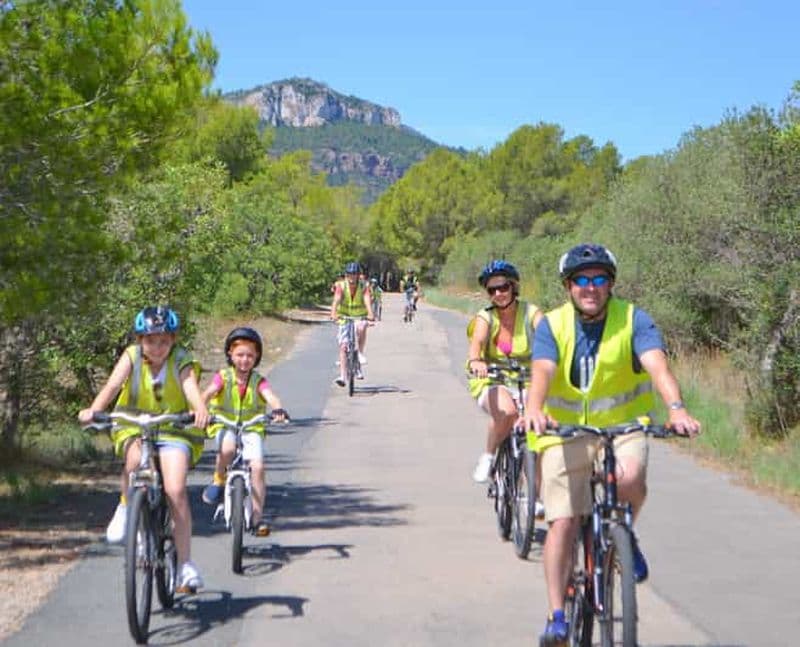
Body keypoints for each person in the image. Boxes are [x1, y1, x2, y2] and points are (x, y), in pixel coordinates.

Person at [523, 243, 701, 646]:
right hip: (564, 431)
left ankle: (622, 534)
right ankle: (556, 614)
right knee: (564, 522)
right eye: (582, 280)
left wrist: (676, 408)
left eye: (599, 278)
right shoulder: (553, 324)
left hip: (623, 428)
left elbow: (657, 364)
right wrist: (534, 408)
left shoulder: (634, 320)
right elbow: (542, 371)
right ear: (568, 286)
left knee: (630, 478)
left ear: (611, 284)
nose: (591, 287)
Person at [78, 306, 210, 592]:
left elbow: (190, 388)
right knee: (135, 460)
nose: (158, 347)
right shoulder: (131, 356)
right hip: (134, 423)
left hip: (174, 426)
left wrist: (199, 409)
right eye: (151, 340)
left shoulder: (182, 359)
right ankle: (127, 507)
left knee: (175, 490)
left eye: (164, 341)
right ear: (140, 340)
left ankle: (185, 564)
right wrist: (94, 410)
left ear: (173, 339)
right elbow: (113, 385)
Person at [200, 327, 288, 537]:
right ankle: (219, 479)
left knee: (257, 467)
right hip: (224, 423)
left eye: (250, 355)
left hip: (251, 427)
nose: (244, 360)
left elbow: (271, 397)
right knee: (228, 449)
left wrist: (278, 409)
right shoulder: (223, 377)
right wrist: (200, 410)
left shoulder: (258, 381)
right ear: (230, 354)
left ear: (257, 356)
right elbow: (207, 393)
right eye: (240, 355)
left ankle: (257, 517)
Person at [466, 260, 543, 486]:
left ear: (513, 287)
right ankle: (489, 456)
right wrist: (476, 361)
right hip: (492, 378)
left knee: (537, 428)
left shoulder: (531, 313)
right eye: (492, 290)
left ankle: (536, 494)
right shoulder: (486, 317)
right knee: (507, 413)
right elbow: (477, 343)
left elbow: (549, 337)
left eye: (503, 287)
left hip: (527, 380)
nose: (499, 293)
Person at [330, 261, 375, 386]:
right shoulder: (341, 286)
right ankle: (343, 376)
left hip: (360, 316)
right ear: (346, 275)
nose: (352, 277)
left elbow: (367, 301)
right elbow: (336, 300)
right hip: (344, 316)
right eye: (349, 274)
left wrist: (370, 314)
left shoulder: (364, 286)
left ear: (358, 275)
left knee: (361, 328)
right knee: (344, 346)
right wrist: (333, 313)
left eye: (354, 274)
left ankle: (359, 353)